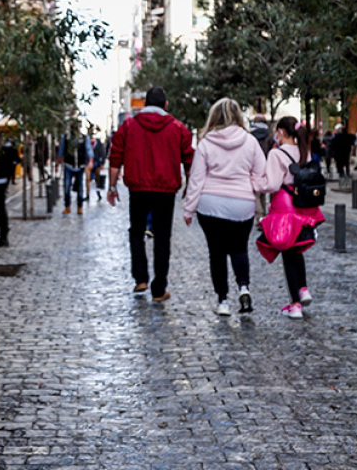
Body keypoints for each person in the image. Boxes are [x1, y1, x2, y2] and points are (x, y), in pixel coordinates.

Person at [107, 86, 195, 302]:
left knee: (136, 232)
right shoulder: (178, 128)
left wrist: (111, 187)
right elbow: (189, 159)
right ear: (166, 105)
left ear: (145, 104)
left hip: (138, 189)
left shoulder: (128, 126)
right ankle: (159, 289)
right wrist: (189, 186)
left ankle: (141, 279)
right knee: (162, 238)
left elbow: (115, 156)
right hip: (165, 190)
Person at [183, 98, 267, 316]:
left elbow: (197, 179)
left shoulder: (205, 143)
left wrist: (189, 208)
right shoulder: (250, 142)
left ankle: (222, 301)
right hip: (242, 204)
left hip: (211, 204)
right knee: (239, 248)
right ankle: (244, 288)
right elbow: (261, 173)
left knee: (217, 253)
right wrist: (252, 188)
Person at [254, 116, 325, 319]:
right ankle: (303, 289)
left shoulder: (276, 154)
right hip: (303, 207)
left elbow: (272, 184)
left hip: (284, 208)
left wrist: (253, 183)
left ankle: (295, 304)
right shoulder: (304, 151)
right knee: (296, 250)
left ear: (281, 132)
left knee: (287, 253)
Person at [58, 130, 93, 214]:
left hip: (80, 166)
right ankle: (67, 207)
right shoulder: (66, 137)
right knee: (66, 186)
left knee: (80, 187)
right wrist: (58, 161)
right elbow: (61, 149)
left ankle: (79, 207)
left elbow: (89, 149)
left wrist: (90, 161)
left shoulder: (84, 138)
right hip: (68, 165)